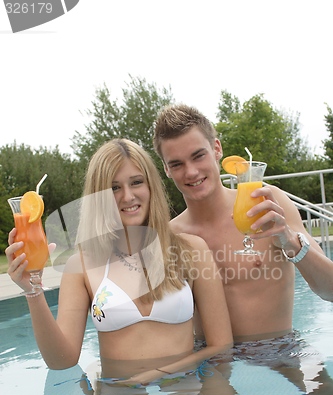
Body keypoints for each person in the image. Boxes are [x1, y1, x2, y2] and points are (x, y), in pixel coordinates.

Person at [6, 137, 233, 381]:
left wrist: (154, 375)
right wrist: (33, 292)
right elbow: (62, 361)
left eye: (136, 182)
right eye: (114, 188)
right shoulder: (81, 266)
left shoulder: (192, 250)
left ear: (151, 187)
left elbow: (221, 345)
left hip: (185, 391)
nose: (128, 196)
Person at [153, 104, 333, 343]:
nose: (192, 172)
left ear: (216, 149)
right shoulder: (171, 236)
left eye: (198, 156)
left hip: (277, 356)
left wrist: (291, 242)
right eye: (177, 164)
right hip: (212, 363)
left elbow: (328, 291)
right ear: (166, 168)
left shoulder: (269, 203)